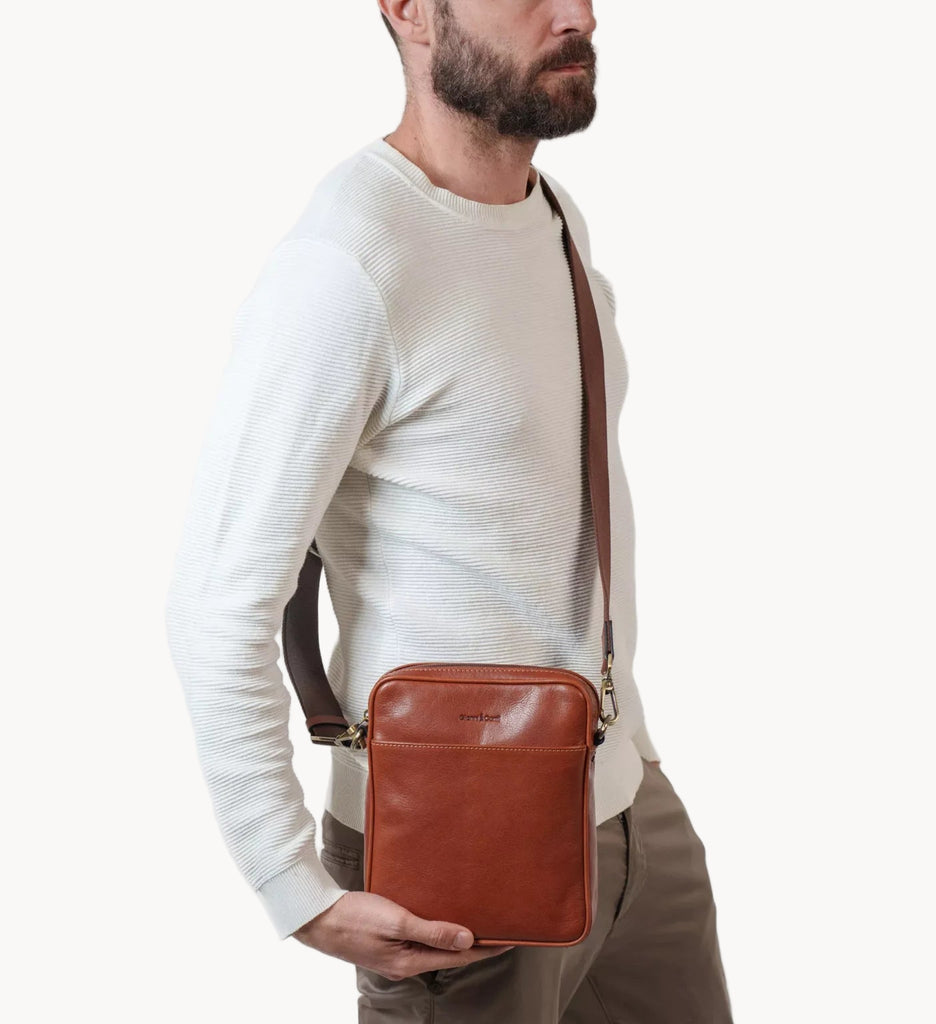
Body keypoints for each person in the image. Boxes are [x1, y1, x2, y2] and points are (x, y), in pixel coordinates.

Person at [164, 1, 733, 1020]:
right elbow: (217, 601)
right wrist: (290, 883)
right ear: (411, 12)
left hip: (621, 803)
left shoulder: (550, 214)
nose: (578, 14)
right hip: (453, 854)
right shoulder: (345, 264)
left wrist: (628, 753)